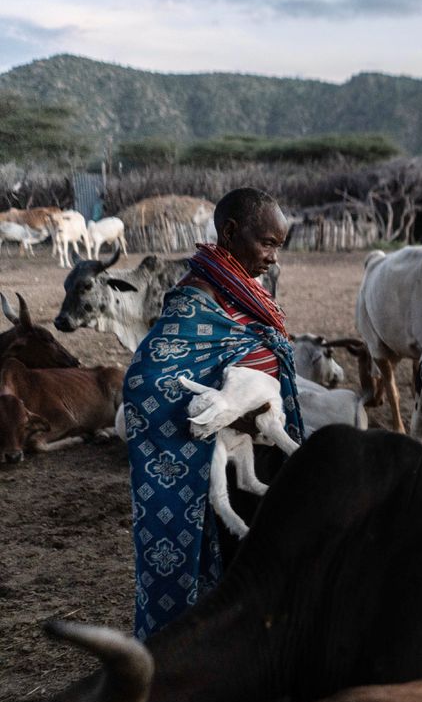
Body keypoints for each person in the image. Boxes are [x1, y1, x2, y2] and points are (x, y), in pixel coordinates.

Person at [122, 187, 302, 640]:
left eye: (278, 246)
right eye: (267, 244)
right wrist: (233, 418)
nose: (273, 258)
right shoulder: (194, 299)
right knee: (234, 565)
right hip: (221, 463)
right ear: (230, 232)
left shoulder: (243, 293)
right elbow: (147, 383)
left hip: (259, 456)